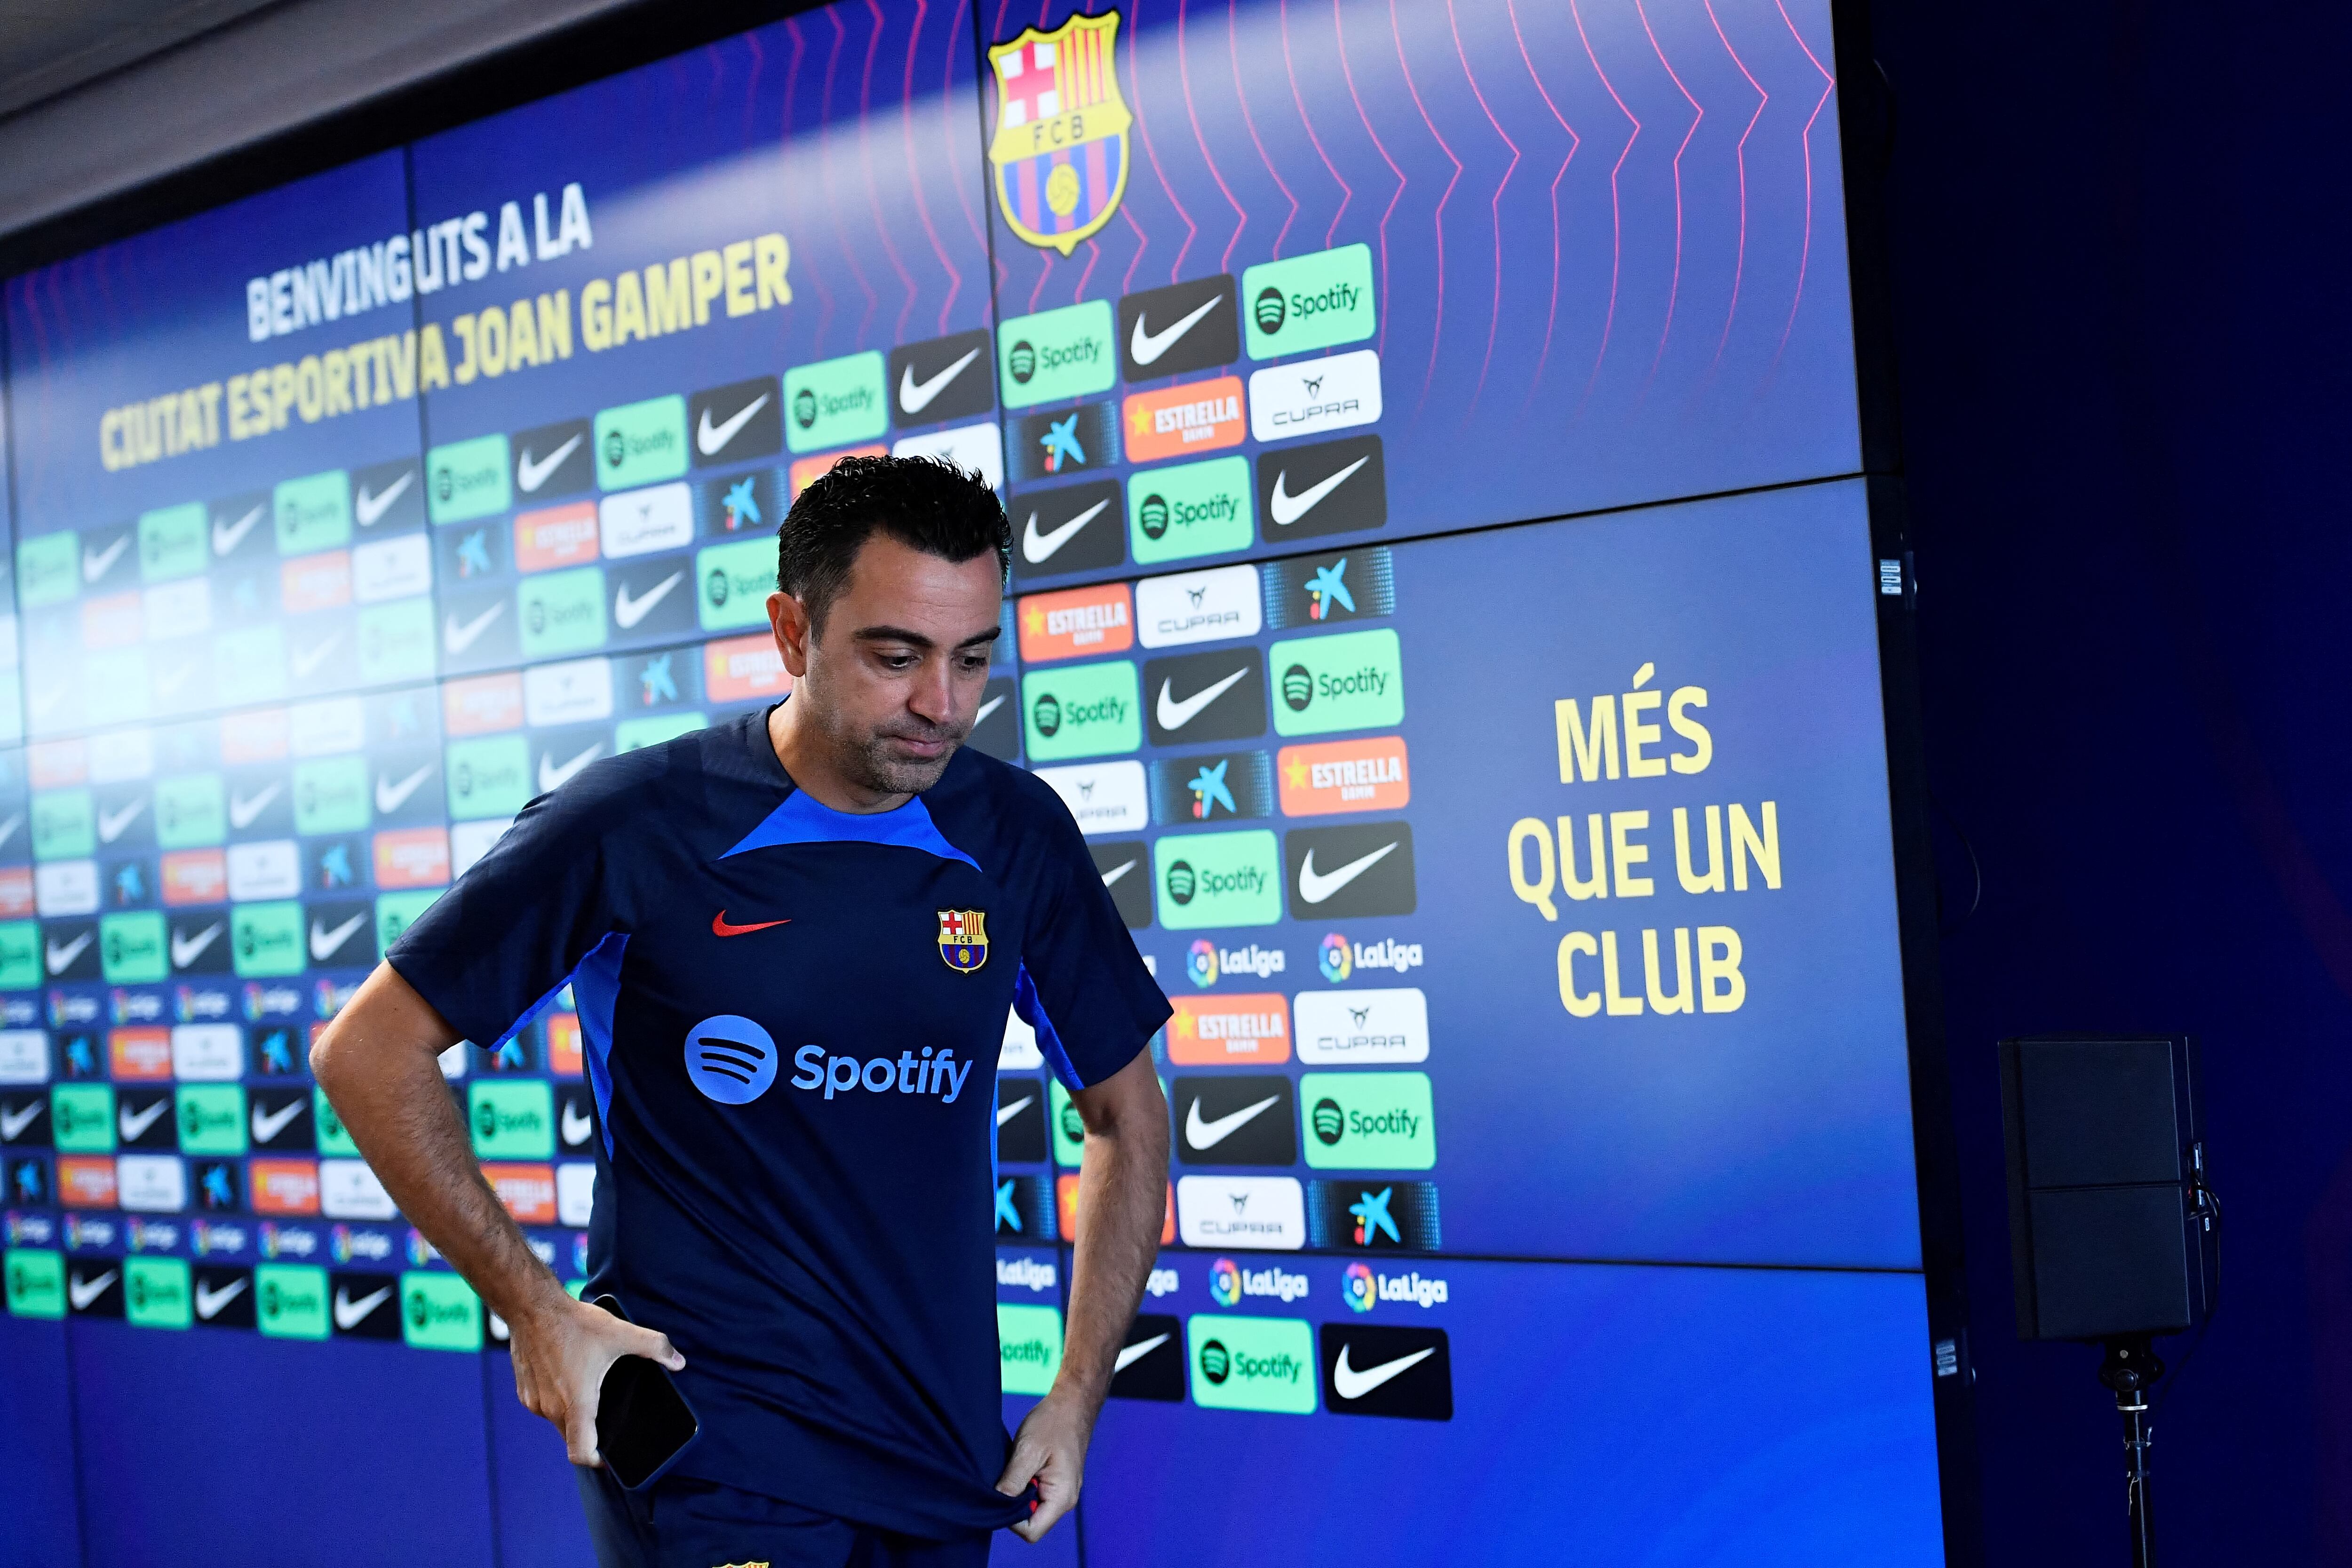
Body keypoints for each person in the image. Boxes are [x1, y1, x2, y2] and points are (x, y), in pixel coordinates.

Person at [312, 454, 1172, 1568]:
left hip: (946, 1463)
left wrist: (1076, 1392)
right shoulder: (639, 819)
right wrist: (533, 1306)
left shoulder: (1014, 832)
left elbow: (1128, 1110)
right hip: (717, 1461)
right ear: (791, 630)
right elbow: (368, 1051)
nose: (941, 704)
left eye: (972, 660)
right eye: (894, 655)